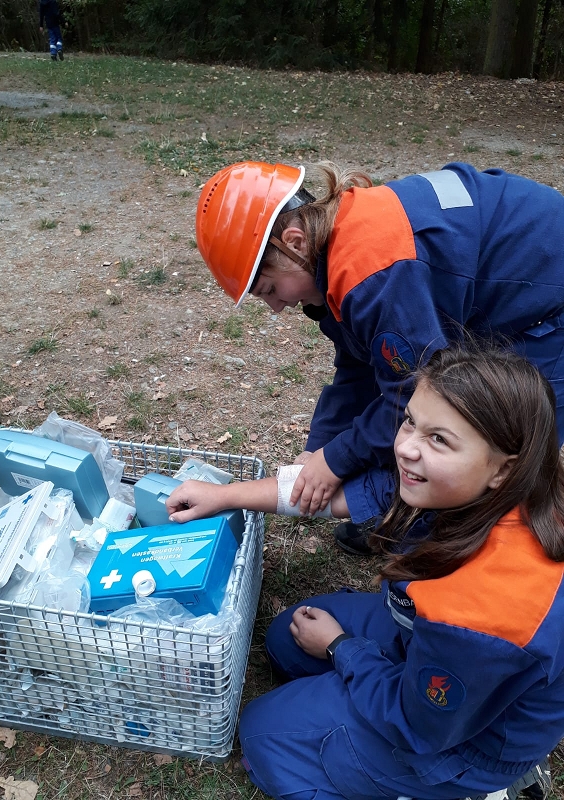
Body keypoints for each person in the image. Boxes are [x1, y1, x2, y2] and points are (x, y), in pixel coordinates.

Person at [166, 344, 564, 800]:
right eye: (410, 421)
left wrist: (342, 649)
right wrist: (224, 495)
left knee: (261, 737)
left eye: (439, 439)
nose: (406, 448)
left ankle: (479, 789)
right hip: (433, 644)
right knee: (286, 639)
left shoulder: (480, 613)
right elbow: (344, 495)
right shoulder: (480, 486)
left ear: (502, 469)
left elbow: (417, 726)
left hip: (461, 741)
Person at [195, 160, 564, 555]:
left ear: (295, 242)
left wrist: (336, 461)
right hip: (516, 283)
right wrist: (320, 447)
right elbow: (359, 366)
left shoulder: (373, 275)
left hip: (548, 309)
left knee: (497, 447)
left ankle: (462, 549)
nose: (275, 307)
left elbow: (416, 393)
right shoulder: (335, 253)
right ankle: (414, 516)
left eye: (269, 289)